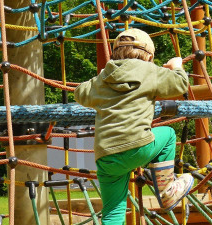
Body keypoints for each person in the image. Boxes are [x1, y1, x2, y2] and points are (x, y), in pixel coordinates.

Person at [74, 28, 194, 224]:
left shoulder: (104, 76)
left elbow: (80, 93)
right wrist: (176, 66)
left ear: (114, 53)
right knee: (169, 135)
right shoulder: (150, 71)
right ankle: (166, 190)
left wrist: (100, 82)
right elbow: (180, 84)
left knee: (113, 211)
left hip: (106, 157)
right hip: (138, 146)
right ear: (148, 56)